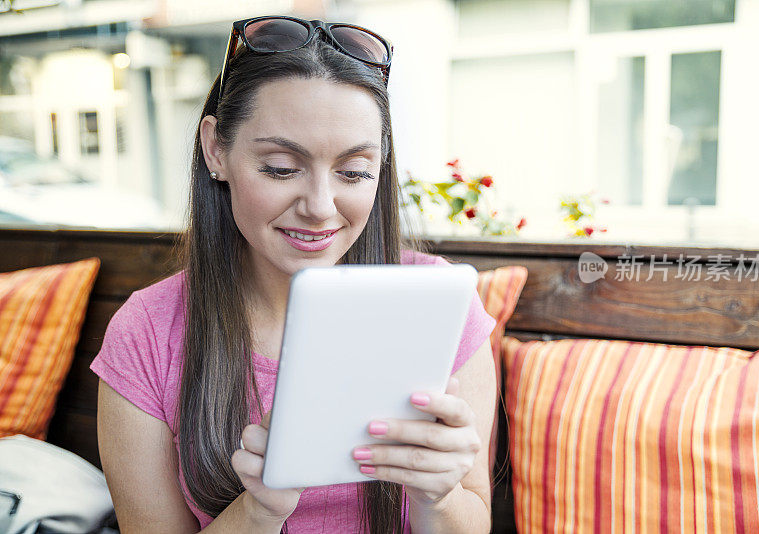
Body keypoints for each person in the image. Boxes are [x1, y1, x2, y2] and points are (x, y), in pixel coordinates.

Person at [90, 15, 497, 533]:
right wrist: (259, 509)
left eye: (354, 172)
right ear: (216, 149)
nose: (321, 207)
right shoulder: (148, 333)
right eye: (282, 168)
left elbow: (474, 522)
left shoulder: (443, 310)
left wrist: (437, 497)